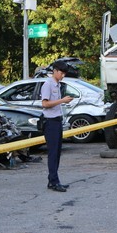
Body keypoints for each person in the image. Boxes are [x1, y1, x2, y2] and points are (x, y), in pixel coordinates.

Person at [41, 60, 73, 192]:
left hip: (57, 121)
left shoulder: (57, 85)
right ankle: (54, 182)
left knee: (58, 152)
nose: (63, 75)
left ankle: (53, 180)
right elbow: (45, 104)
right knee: (53, 153)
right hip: (50, 122)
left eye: (64, 73)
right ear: (55, 71)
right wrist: (62, 100)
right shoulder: (47, 84)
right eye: (61, 73)